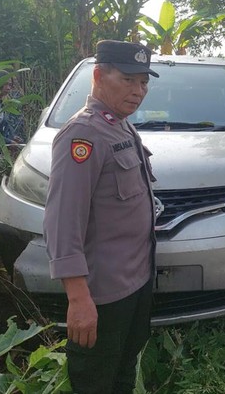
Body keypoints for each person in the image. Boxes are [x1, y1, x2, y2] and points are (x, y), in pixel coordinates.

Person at [43, 40, 160, 394]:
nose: (138, 91)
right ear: (98, 76)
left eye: (143, 82)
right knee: (95, 382)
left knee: (123, 373)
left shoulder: (120, 126)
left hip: (134, 284)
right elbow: (63, 222)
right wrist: (78, 299)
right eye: (127, 80)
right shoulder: (84, 135)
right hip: (102, 297)